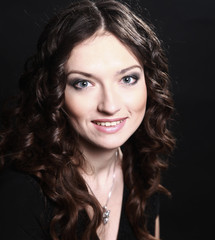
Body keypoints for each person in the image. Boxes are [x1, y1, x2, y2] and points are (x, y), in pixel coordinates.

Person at [0, 0, 175, 239]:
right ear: (55, 93)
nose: (110, 106)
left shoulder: (142, 173)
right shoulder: (21, 195)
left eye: (127, 79)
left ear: (149, 83)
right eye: (83, 83)